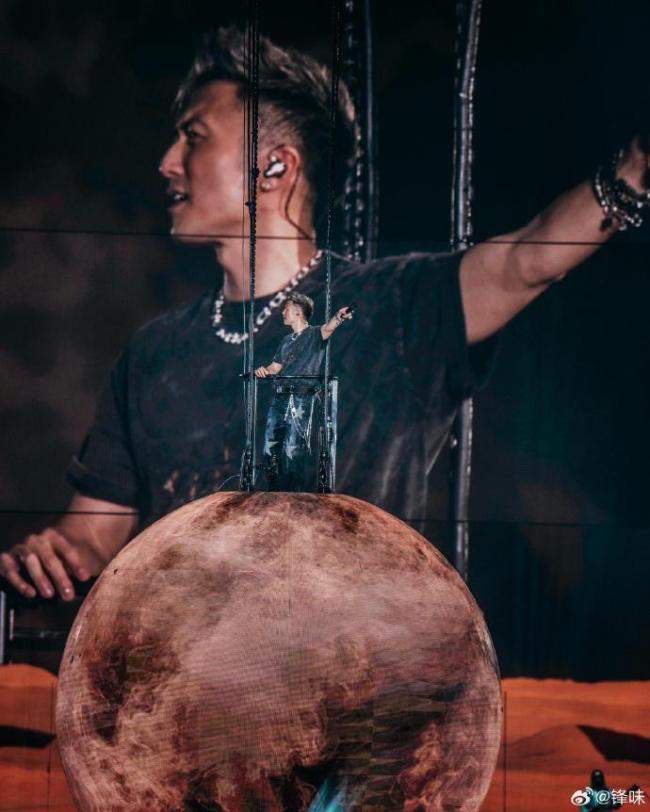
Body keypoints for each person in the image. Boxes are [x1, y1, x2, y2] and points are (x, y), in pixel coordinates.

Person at [1, 26, 649, 602]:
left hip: (353, 683)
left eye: (193, 136)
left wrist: (636, 170)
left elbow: (527, 260)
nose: (167, 162)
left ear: (274, 165)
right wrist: (56, 557)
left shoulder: (396, 308)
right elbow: (92, 533)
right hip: (182, 688)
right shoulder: (153, 354)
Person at [254, 291, 352, 491]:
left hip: (301, 395)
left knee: (294, 445)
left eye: (286, 309)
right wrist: (264, 370)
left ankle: (293, 493)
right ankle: (272, 490)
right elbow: (275, 367)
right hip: (281, 394)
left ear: (298, 312)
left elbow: (330, 326)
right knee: (271, 443)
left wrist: (339, 316)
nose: (283, 312)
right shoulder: (286, 340)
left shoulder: (315, 334)